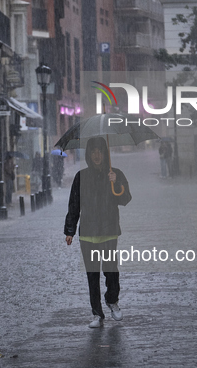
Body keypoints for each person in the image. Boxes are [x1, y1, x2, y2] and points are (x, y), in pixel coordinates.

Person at [64, 137, 132, 328]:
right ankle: (97, 313)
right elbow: (74, 205)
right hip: (88, 233)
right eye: (93, 151)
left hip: (109, 231)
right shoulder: (81, 177)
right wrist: (69, 229)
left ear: (105, 153)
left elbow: (125, 199)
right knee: (92, 275)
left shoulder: (115, 173)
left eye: (100, 151)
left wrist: (117, 183)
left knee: (111, 272)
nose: (97, 155)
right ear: (88, 154)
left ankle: (112, 300)